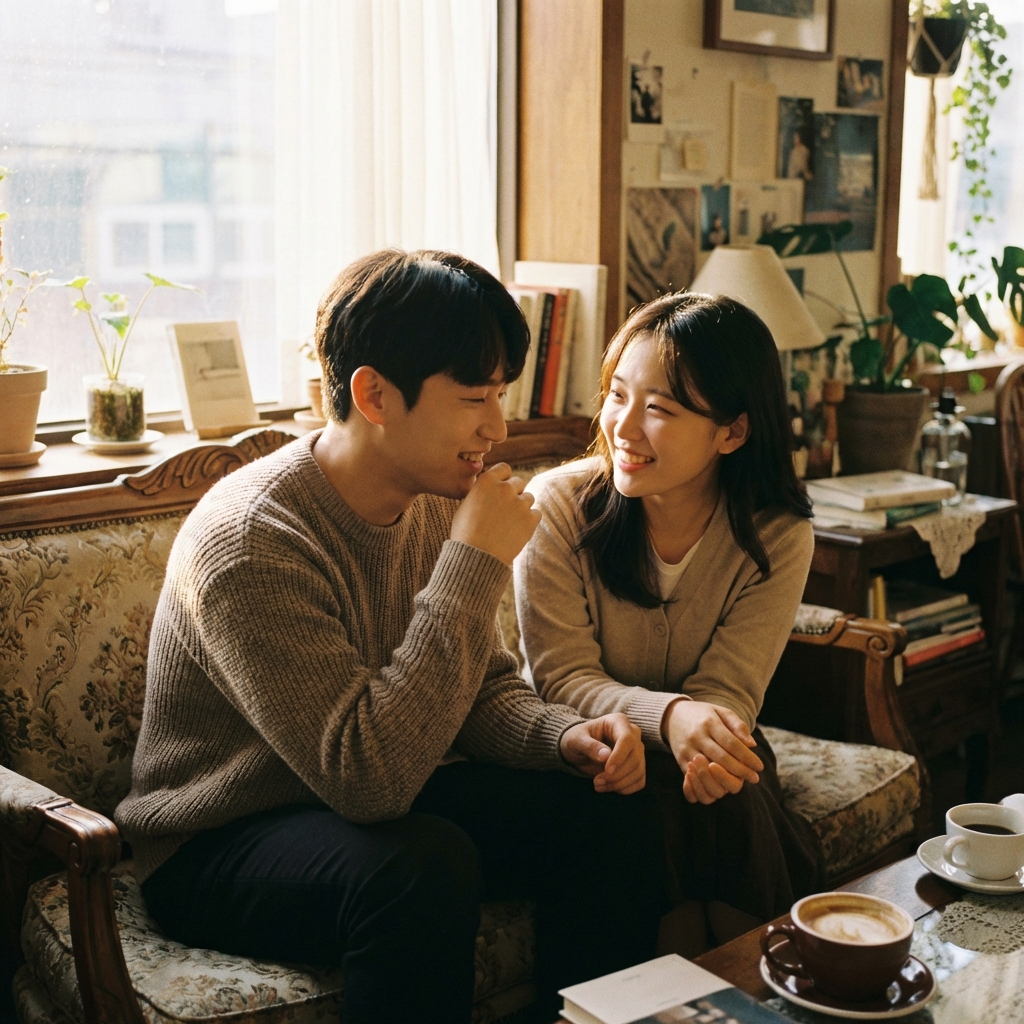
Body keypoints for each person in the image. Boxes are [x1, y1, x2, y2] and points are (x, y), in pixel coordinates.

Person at [115, 249, 664, 1023]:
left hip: (367, 794)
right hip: (219, 839)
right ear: (373, 393)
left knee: (608, 804)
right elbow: (366, 781)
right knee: (418, 867)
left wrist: (564, 738)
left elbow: (482, 690)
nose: (497, 427)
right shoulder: (250, 540)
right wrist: (472, 564)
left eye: (500, 394)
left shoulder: (439, 495)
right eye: (475, 396)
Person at [514, 292, 823, 953]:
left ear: (732, 432)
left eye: (659, 409)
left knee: (726, 784)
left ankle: (748, 989)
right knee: (659, 805)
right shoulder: (559, 507)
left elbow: (732, 687)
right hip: (590, 748)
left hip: (705, 736)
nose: (624, 427)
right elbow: (559, 678)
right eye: (618, 395)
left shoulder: (777, 534)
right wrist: (672, 718)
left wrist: (702, 733)